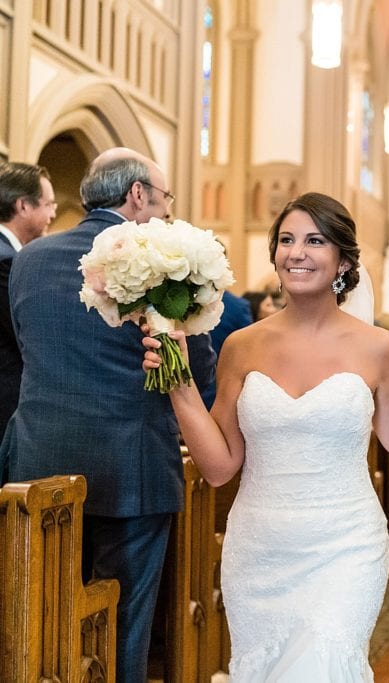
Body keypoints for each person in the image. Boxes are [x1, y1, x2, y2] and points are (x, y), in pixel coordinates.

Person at [141, 192, 389, 680]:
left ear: (342, 260)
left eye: (315, 241)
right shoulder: (241, 346)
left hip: (345, 545)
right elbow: (220, 466)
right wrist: (181, 386)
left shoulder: (376, 345)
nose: (297, 252)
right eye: (287, 240)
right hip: (260, 550)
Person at [0, 147, 216, 683]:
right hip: (132, 467)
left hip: (38, 463)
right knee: (124, 625)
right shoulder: (165, 262)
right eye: (164, 199)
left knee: (42, 618)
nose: (166, 213)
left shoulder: (29, 258)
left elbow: (31, 348)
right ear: (138, 194)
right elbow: (196, 373)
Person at [0, 162, 56, 442]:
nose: (53, 213)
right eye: (48, 204)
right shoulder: (6, 260)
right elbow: (24, 335)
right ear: (23, 206)